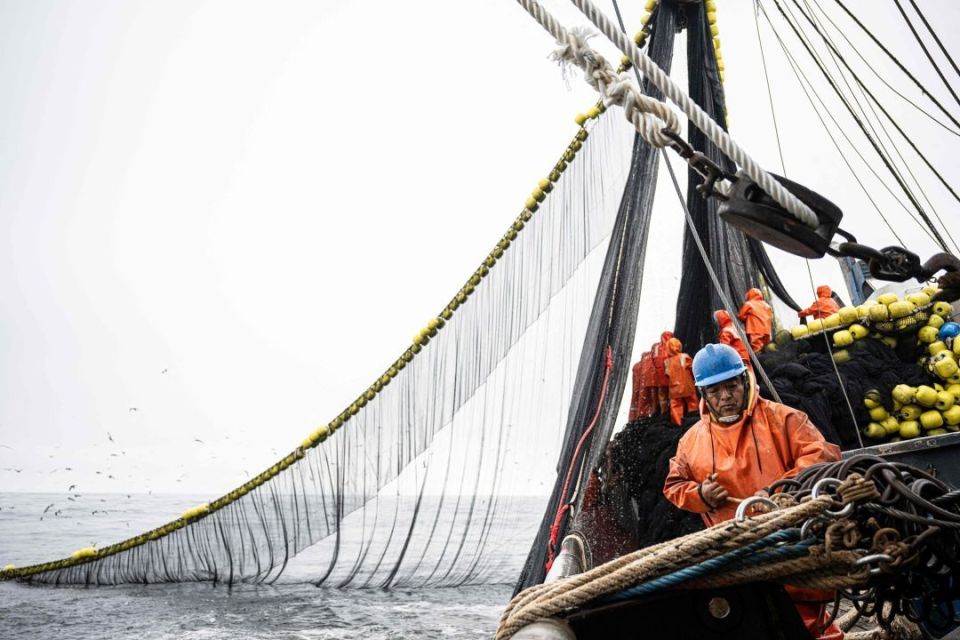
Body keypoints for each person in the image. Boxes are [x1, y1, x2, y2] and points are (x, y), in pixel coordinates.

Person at [662, 343, 843, 639]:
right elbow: (674, 485)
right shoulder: (690, 442)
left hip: (794, 550)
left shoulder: (785, 419)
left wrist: (776, 490)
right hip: (736, 561)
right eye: (715, 391)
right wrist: (701, 495)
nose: (725, 397)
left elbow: (821, 457)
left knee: (812, 628)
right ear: (703, 394)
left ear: (744, 380)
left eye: (731, 386)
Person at [663, 337, 697, 426]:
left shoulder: (666, 361)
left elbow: (667, 375)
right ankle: (693, 421)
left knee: (675, 406)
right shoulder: (684, 356)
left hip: (674, 388)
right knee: (692, 403)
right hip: (687, 386)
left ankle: (678, 425)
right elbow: (693, 368)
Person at [737, 288, 773, 352]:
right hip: (767, 332)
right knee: (766, 350)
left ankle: (758, 361)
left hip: (755, 330)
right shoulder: (767, 306)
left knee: (757, 350)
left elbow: (741, 316)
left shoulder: (749, 304)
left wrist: (748, 318)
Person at [650, 331, 674, 414]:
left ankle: (663, 412)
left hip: (659, 376)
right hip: (670, 376)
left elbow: (653, 359)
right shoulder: (671, 345)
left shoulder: (655, 346)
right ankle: (671, 413)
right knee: (672, 396)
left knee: (662, 395)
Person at [628, 351, 656, 422]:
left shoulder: (637, 366)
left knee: (638, 400)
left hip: (638, 410)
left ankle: (634, 420)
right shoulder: (649, 365)